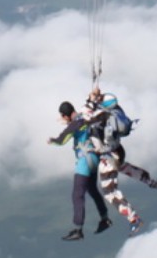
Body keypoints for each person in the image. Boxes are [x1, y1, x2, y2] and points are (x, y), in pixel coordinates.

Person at [48, 101, 111, 241]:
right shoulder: (85, 117)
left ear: (66, 115)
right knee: (92, 190)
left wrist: (52, 140)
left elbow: (62, 140)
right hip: (94, 158)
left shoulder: (75, 124)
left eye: (63, 117)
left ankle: (78, 230)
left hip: (85, 161)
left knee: (77, 194)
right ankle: (105, 219)